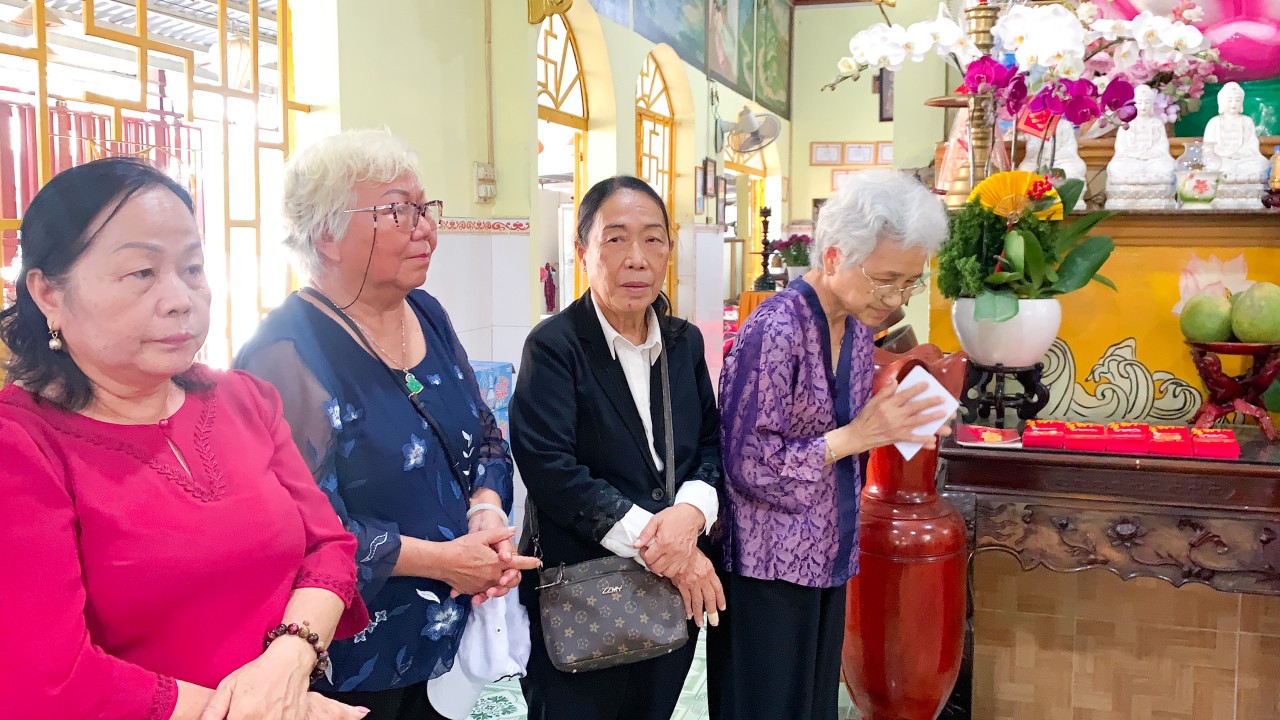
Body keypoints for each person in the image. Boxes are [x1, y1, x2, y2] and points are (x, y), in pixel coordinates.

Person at [0, 156, 369, 720]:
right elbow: (51, 678)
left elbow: (329, 549)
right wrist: (263, 713)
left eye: (193, 268)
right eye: (141, 273)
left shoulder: (246, 399)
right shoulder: (23, 445)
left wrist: (290, 658)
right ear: (49, 293)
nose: (180, 298)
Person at [234, 129, 537, 720]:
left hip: (449, 636)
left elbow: (482, 434)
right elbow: (303, 529)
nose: (426, 229)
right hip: (355, 659)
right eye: (399, 211)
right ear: (327, 236)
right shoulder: (285, 356)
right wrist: (445, 561)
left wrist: (485, 511)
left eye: (425, 208)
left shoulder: (425, 311)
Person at [708, 169, 955, 720]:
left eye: (910, 283)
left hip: (828, 549)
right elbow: (748, 465)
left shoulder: (858, 327)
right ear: (835, 255)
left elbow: (852, 432)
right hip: (767, 564)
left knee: (813, 706)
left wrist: (901, 423)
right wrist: (857, 435)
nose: (896, 298)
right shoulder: (775, 330)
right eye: (885, 279)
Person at [510, 176, 723, 720]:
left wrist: (692, 513)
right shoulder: (554, 347)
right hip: (582, 594)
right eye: (616, 238)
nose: (637, 258)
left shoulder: (683, 343)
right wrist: (666, 549)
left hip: (665, 603)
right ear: (582, 250)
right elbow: (550, 468)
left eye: (653, 239)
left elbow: (710, 443)